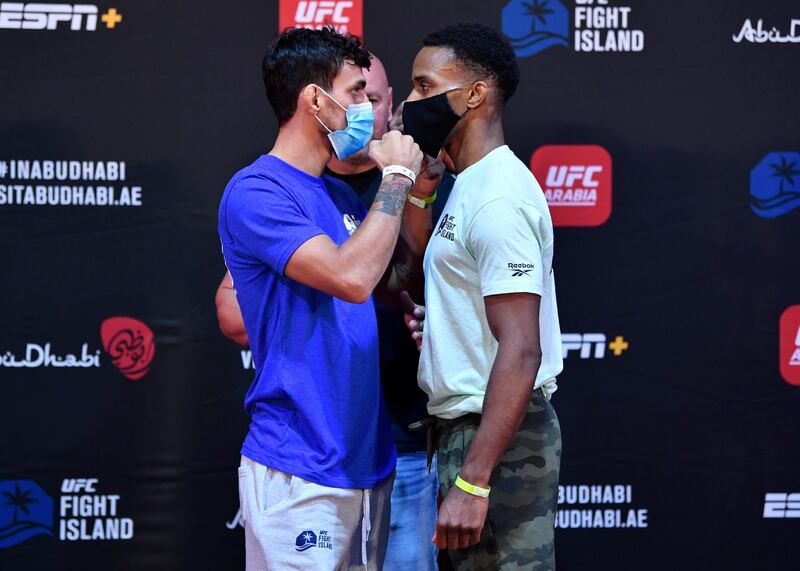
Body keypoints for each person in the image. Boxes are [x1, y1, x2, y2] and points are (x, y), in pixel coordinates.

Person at [216, 52, 449, 570]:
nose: (370, 108)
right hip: (301, 463)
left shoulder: (337, 191)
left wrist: (420, 194)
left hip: (367, 461)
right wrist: (394, 176)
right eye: (356, 93)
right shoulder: (258, 191)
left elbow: (391, 277)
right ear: (314, 100)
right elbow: (350, 277)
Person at [401, 23, 564, 570]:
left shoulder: (497, 197)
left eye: (425, 86)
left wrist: (473, 481)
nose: (410, 100)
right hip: (466, 431)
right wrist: (421, 193)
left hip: (496, 440)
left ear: (474, 94)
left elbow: (522, 349)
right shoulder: (466, 181)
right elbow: (436, 271)